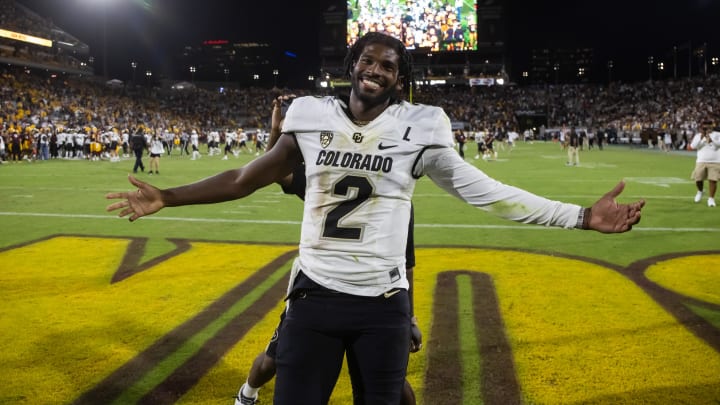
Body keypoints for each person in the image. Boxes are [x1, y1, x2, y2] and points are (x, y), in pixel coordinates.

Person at [106, 32, 645, 404]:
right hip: (314, 295)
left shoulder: (424, 126)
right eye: (368, 60)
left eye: (388, 65)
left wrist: (579, 216)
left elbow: (489, 194)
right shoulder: (310, 115)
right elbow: (247, 178)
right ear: (352, 65)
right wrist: (168, 197)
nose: (376, 70)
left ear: (400, 78)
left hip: (383, 304)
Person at [233, 95, 421, 405]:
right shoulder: (332, 179)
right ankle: (246, 395)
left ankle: (247, 394)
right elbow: (275, 171)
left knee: (392, 384)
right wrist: (278, 133)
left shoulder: (396, 202)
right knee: (274, 359)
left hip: (371, 302)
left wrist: (409, 317)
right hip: (320, 293)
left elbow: (405, 263)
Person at [689, 122, 720, 207]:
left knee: (713, 180)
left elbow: (718, 145)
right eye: (705, 128)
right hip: (701, 160)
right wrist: (701, 138)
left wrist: (711, 140)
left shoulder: (717, 134)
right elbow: (693, 146)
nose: (707, 129)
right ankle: (700, 191)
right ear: (702, 128)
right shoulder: (698, 136)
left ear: (712, 127)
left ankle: (711, 199)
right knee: (698, 179)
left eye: (709, 127)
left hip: (715, 161)